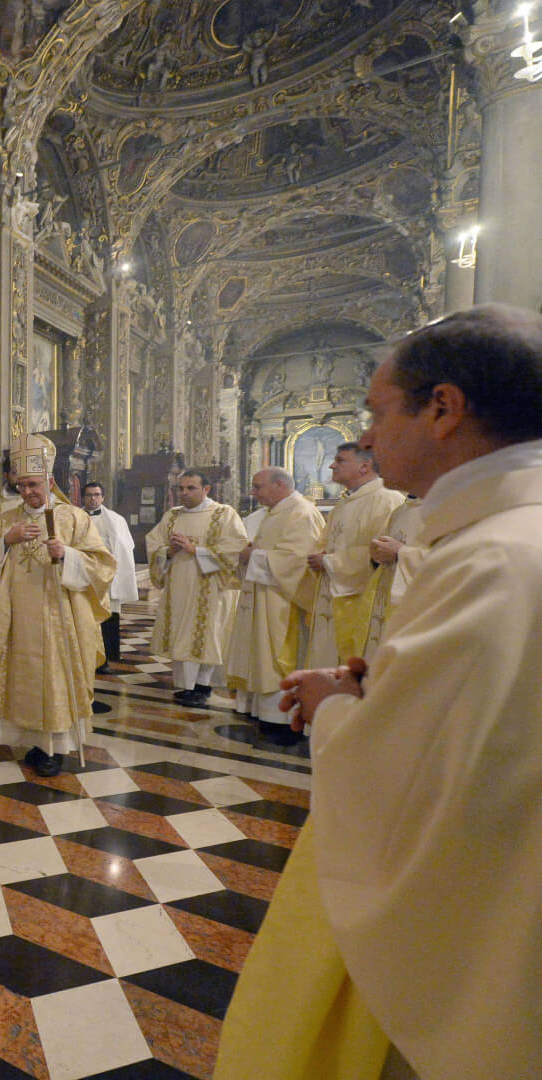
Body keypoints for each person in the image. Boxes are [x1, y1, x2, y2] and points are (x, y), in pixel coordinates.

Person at [216, 304, 542, 1079]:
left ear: (442, 408)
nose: (363, 437)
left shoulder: (494, 559)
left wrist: (334, 707)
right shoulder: (502, 536)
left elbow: (409, 775)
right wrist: (381, 688)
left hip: (462, 935)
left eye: (376, 412)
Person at [0, 434, 114, 777]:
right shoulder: (6, 519)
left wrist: (68, 556)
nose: (26, 492)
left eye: (32, 484)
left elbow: (103, 564)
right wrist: (6, 541)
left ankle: (55, 748)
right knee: (23, 679)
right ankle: (34, 742)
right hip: (18, 617)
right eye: (20, 485)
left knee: (55, 680)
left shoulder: (74, 518)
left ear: (49, 482)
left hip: (59, 616)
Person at [222, 467, 324, 745]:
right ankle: (262, 711)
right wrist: (251, 554)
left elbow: (297, 559)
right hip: (264, 596)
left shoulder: (301, 513)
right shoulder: (275, 512)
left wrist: (253, 555)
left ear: (280, 485)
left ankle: (281, 717)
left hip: (283, 603)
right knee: (260, 653)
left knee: (278, 655)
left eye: (258, 486)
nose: (252, 492)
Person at [287, 442, 402, 669]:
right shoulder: (344, 502)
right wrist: (321, 555)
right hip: (331, 594)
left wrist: (330, 562)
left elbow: (380, 553)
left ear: (365, 466)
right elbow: (328, 542)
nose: (331, 466)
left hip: (357, 599)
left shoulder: (387, 498)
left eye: (340, 460)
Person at [145, 470, 248, 707]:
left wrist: (196, 550)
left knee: (207, 636)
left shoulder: (224, 514)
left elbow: (236, 548)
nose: (184, 493)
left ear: (206, 489)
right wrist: (168, 552)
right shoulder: (172, 516)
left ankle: (203, 685)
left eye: (190, 488)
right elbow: (154, 545)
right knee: (181, 636)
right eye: (181, 488)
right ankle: (187, 686)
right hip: (178, 589)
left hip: (210, 588)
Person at [359, 493, 424, 662]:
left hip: (414, 611)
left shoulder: (445, 509)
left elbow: (450, 560)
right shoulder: (400, 511)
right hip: (385, 602)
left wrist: (401, 553)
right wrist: (377, 555)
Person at [82, 480, 136, 671]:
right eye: (89, 495)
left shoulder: (116, 520)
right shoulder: (74, 517)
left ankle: (106, 658)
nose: (93, 499)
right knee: (85, 618)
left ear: (103, 497)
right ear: (83, 498)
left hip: (108, 578)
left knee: (108, 618)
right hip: (84, 576)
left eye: (97, 495)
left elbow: (126, 547)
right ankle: (85, 657)